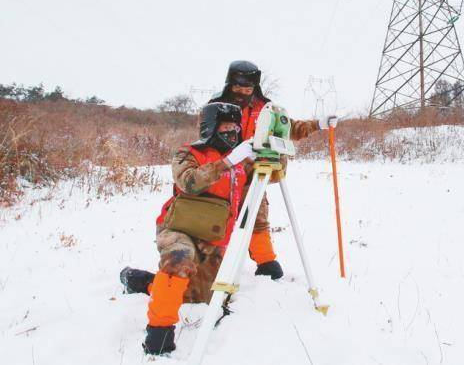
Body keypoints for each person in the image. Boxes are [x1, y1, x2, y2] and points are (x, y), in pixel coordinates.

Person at [120, 102, 257, 355]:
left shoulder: (242, 162)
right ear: (211, 128)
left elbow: (275, 171)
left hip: (212, 236)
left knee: (196, 296)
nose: (232, 133)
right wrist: (227, 162)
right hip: (179, 228)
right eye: (225, 128)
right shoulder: (188, 153)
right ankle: (158, 335)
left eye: (235, 128)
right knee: (179, 260)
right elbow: (189, 182)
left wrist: (270, 152)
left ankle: (141, 281)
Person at [208, 60, 338, 280]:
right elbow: (205, 134)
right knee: (217, 218)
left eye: (247, 88)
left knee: (258, 217)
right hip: (224, 173)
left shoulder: (265, 108)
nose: (242, 92)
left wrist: (319, 124)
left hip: (255, 174)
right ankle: (212, 262)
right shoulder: (216, 107)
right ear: (229, 83)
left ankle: (265, 260)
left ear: (255, 87)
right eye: (237, 87)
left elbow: (290, 128)